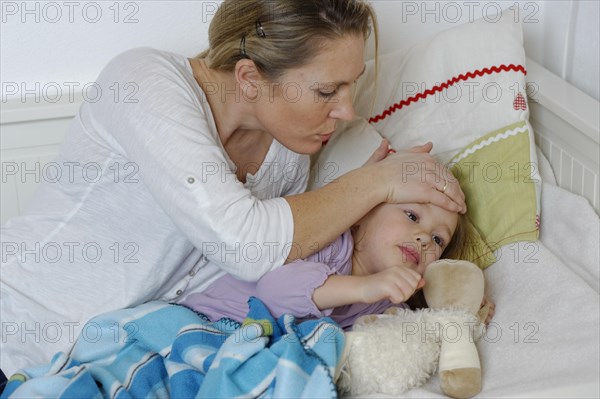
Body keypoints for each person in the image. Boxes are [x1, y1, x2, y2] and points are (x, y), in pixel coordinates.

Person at [0, 0, 466, 376]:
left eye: (351, 87)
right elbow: (245, 244)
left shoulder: (288, 148)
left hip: (116, 357)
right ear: (248, 78)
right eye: (327, 92)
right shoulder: (143, 83)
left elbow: (276, 268)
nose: (346, 110)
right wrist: (378, 183)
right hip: (19, 333)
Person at [182, 202, 487, 330]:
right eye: (411, 216)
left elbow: (401, 342)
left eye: (437, 239)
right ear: (361, 214)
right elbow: (272, 291)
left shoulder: (391, 302)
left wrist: (459, 316)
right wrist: (365, 287)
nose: (423, 238)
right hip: (208, 322)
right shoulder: (330, 244)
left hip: (256, 347)